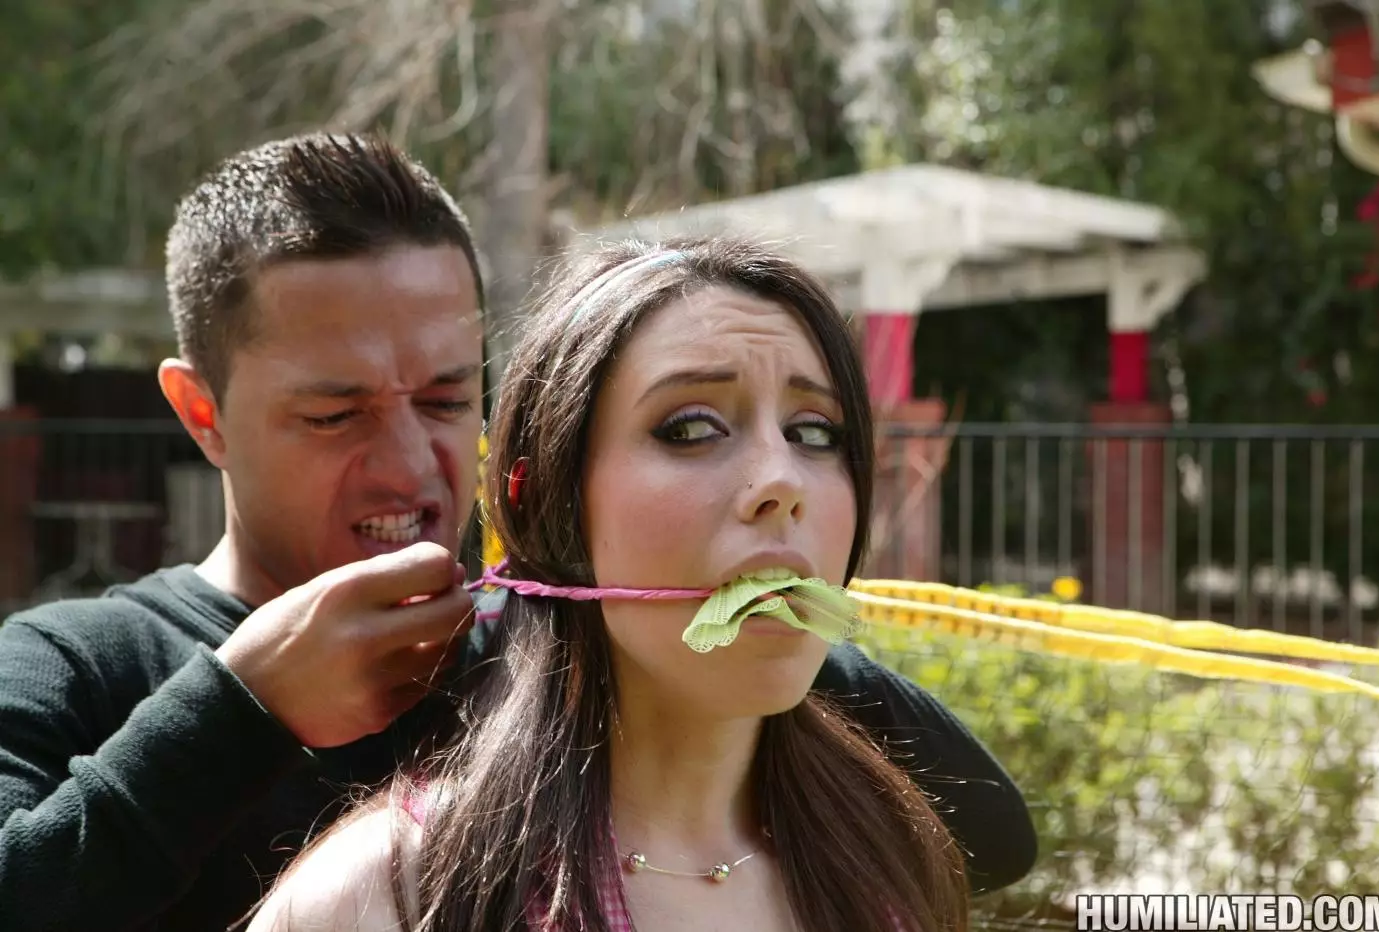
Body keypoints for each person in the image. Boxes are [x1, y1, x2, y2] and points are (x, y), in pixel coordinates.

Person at [0, 134, 1034, 932]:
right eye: (336, 414)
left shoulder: (548, 641)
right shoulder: (81, 663)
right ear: (202, 414)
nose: (409, 462)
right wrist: (241, 709)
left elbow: (984, 831)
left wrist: (746, 602)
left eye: (448, 400)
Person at [250, 236, 972, 932]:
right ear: (545, 504)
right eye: (691, 427)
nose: (782, 482)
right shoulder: (386, 901)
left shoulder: (892, 858)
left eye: (815, 433)